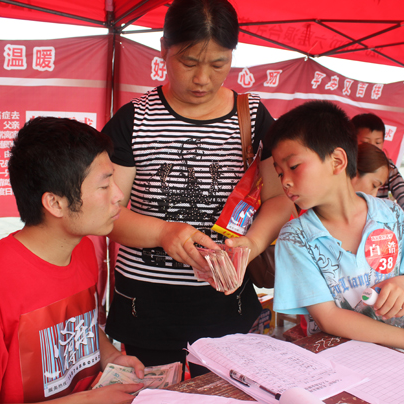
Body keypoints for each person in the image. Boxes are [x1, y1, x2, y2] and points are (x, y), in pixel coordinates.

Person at [101, 0, 293, 374]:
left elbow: (278, 198)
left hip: (227, 303)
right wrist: (163, 232)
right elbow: (105, 212)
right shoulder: (135, 119)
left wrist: (252, 244)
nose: (202, 78)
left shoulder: (252, 117)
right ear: (164, 48)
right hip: (147, 306)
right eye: (188, 62)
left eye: (218, 64)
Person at [0, 117, 145, 404]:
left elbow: (81, 329)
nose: (119, 196)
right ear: (55, 203)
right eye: (105, 186)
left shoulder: (82, 248)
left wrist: (111, 357)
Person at [270, 101, 404, 363]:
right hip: (341, 362)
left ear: (337, 161)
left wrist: (401, 284)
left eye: (293, 167)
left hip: (403, 361)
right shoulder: (295, 238)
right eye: (279, 173)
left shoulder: (391, 215)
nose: (285, 182)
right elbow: (329, 317)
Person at [351, 113, 404, 235]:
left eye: (377, 142)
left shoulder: (387, 167)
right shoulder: (345, 165)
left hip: (378, 230)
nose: (372, 147)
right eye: (365, 142)